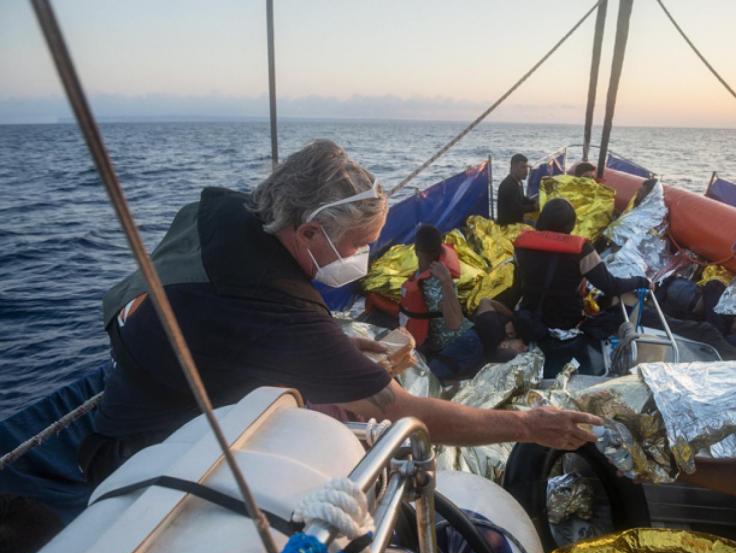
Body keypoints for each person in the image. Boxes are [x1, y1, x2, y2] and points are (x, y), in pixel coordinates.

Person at [81, 140, 601, 484]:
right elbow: (398, 410)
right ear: (309, 231)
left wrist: (338, 347)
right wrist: (528, 425)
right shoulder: (274, 303)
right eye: (356, 245)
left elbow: (221, 326)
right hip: (142, 454)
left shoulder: (222, 211)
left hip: (141, 387)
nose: (362, 258)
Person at [513, 198, 649, 376]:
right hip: (566, 321)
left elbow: (519, 284)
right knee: (624, 298)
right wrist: (642, 281)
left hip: (530, 316)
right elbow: (611, 285)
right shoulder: (581, 249)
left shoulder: (522, 245)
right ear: (570, 224)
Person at [402, 225, 486, 382]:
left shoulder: (438, 282)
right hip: (443, 344)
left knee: (423, 381)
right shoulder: (420, 276)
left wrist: (446, 282)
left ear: (416, 250)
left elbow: (454, 324)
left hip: (462, 344)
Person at [496, 153, 537, 225]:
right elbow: (516, 210)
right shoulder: (508, 185)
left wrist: (533, 202)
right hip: (509, 226)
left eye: (526, 167)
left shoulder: (518, 182)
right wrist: (533, 207)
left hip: (518, 222)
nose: (526, 171)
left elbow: (521, 198)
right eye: (523, 167)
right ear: (513, 168)